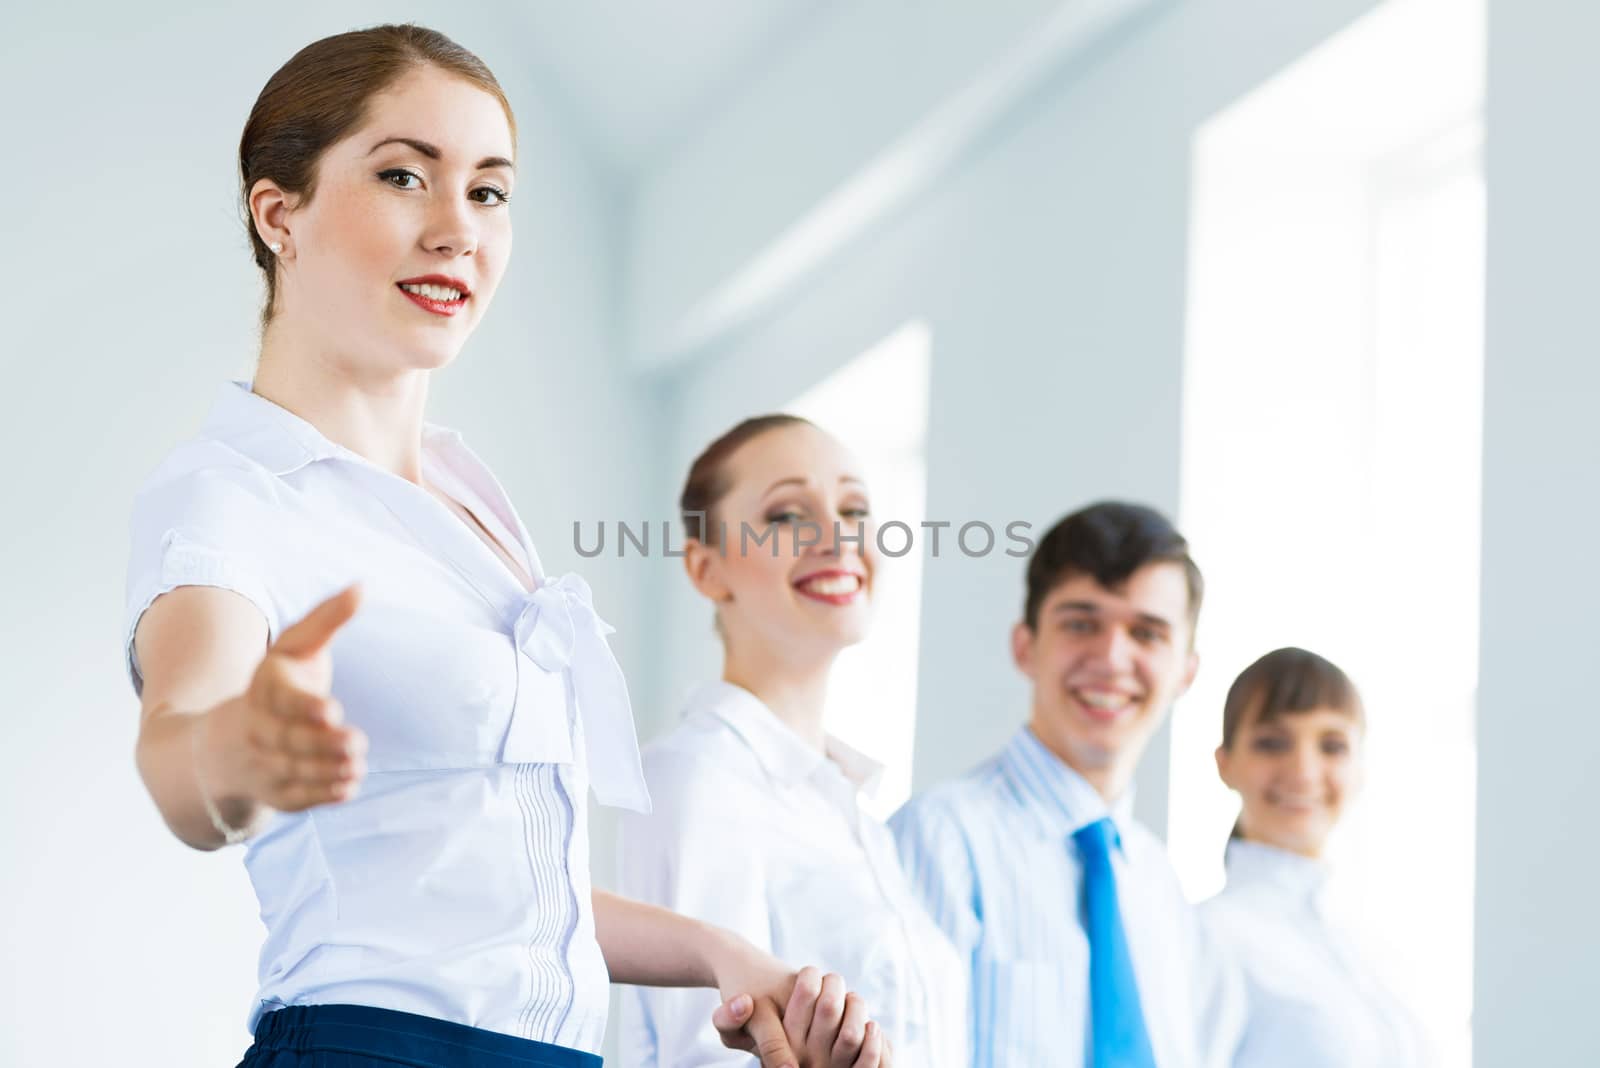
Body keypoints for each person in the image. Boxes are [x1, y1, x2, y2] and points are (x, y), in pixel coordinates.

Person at [124, 25, 883, 1068]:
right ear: (278, 212)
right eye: (404, 176)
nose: (456, 229)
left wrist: (721, 953)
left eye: (488, 192)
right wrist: (232, 754)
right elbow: (178, 744)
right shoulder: (233, 495)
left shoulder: (472, 508)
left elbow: (505, 892)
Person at [615, 415, 963, 1066]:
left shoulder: (855, 815)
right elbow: (707, 1054)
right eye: (785, 515)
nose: (838, 535)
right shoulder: (698, 779)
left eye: (855, 508)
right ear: (707, 569)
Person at [890, 501, 1245, 1067]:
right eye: (1081, 623)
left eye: (1147, 633)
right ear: (1025, 645)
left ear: (1186, 672)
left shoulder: (1162, 890)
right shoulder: (938, 841)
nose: (1111, 657)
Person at [1203, 647, 1430, 1067]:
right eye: (1272, 743)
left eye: (1332, 745)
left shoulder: (1375, 948)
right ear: (1225, 763)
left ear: (1360, 767)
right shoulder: (1207, 936)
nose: (1304, 771)